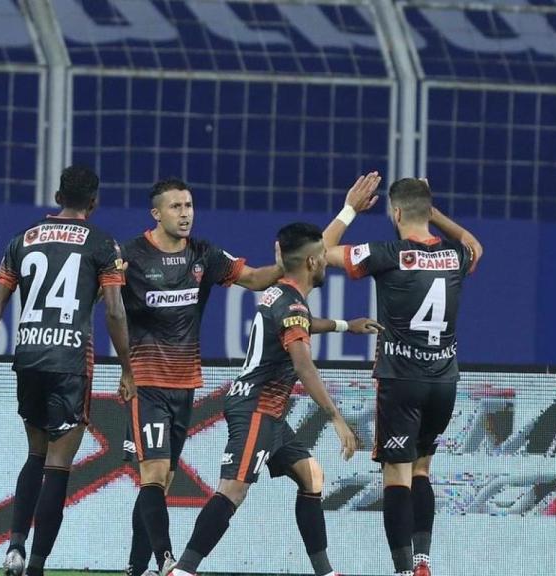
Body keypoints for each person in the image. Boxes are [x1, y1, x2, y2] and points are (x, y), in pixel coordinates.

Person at [121, 175, 380, 576]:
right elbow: (302, 364)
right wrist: (336, 419)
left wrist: (346, 325)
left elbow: (305, 283)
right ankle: (183, 569)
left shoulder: (276, 290)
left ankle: (326, 572)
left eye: (189, 205)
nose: (186, 213)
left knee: (312, 476)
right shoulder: (290, 300)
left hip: (262, 406)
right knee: (232, 489)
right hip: (255, 404)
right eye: (177, 206)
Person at [0, 165, 134, 576]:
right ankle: (36, 566)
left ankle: (15, 547)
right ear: (94, 201)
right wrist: (128, 369)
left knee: (35, 454)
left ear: (58, 197)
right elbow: (113, 310)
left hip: (29, 357)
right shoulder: (103, 244)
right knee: (59, 463)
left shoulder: (22, 240)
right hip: (71, 360)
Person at [322, 177, 481, 576]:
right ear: (426, 211)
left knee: (397, 473)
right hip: (444, 383)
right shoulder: (457, 256)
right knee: (423, 467)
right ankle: (424, 562)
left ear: (394, 214)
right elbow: (473, 242)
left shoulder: (387, 254)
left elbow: (319, 252)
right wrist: (433, 210)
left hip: (401, 380)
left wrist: (350, 209)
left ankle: (404, 570)